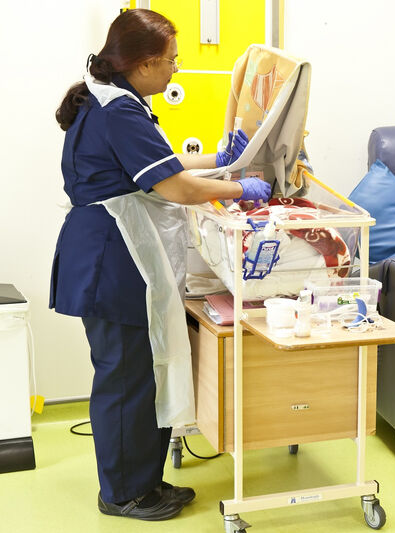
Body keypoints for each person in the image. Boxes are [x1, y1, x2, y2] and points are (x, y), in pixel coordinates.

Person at [50, 9, 272, 521]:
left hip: (113, 253)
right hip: (113, 259)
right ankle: (123, 494)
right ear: (145, 63)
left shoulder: (115, 98)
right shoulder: (117, 112)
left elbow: (165, 163)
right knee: (126, 380)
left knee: (140, 375)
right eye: (172, 61)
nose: (176, 69)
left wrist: (221, 158)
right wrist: (242, 186)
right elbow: (173, 186)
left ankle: (143, 482)